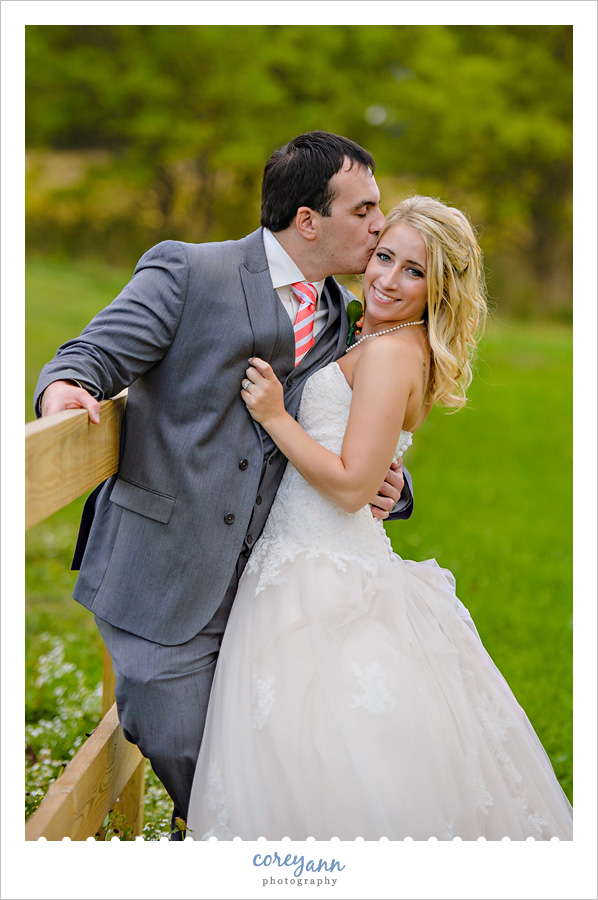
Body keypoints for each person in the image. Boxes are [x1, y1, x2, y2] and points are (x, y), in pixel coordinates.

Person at [33, 131, 414, 838]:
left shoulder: (343, 315)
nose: (378, 226)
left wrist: (396, 485)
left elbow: (349, 428)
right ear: (308, 220)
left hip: (268, 586)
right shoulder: (189, 272)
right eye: (363, 211)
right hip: (162, 568)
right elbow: (89, 354)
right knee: (182, 736)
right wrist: (64, 393)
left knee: (273, 753)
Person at [186, 196, 573, 840]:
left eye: (413, 272)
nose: (388, 280)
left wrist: (278, 416)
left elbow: (349, 486)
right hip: (302, 558)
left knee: (326, 758)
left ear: (440, 288)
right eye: (384, 257)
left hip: (323, 571)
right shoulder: (377, 333)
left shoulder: (393, 351)